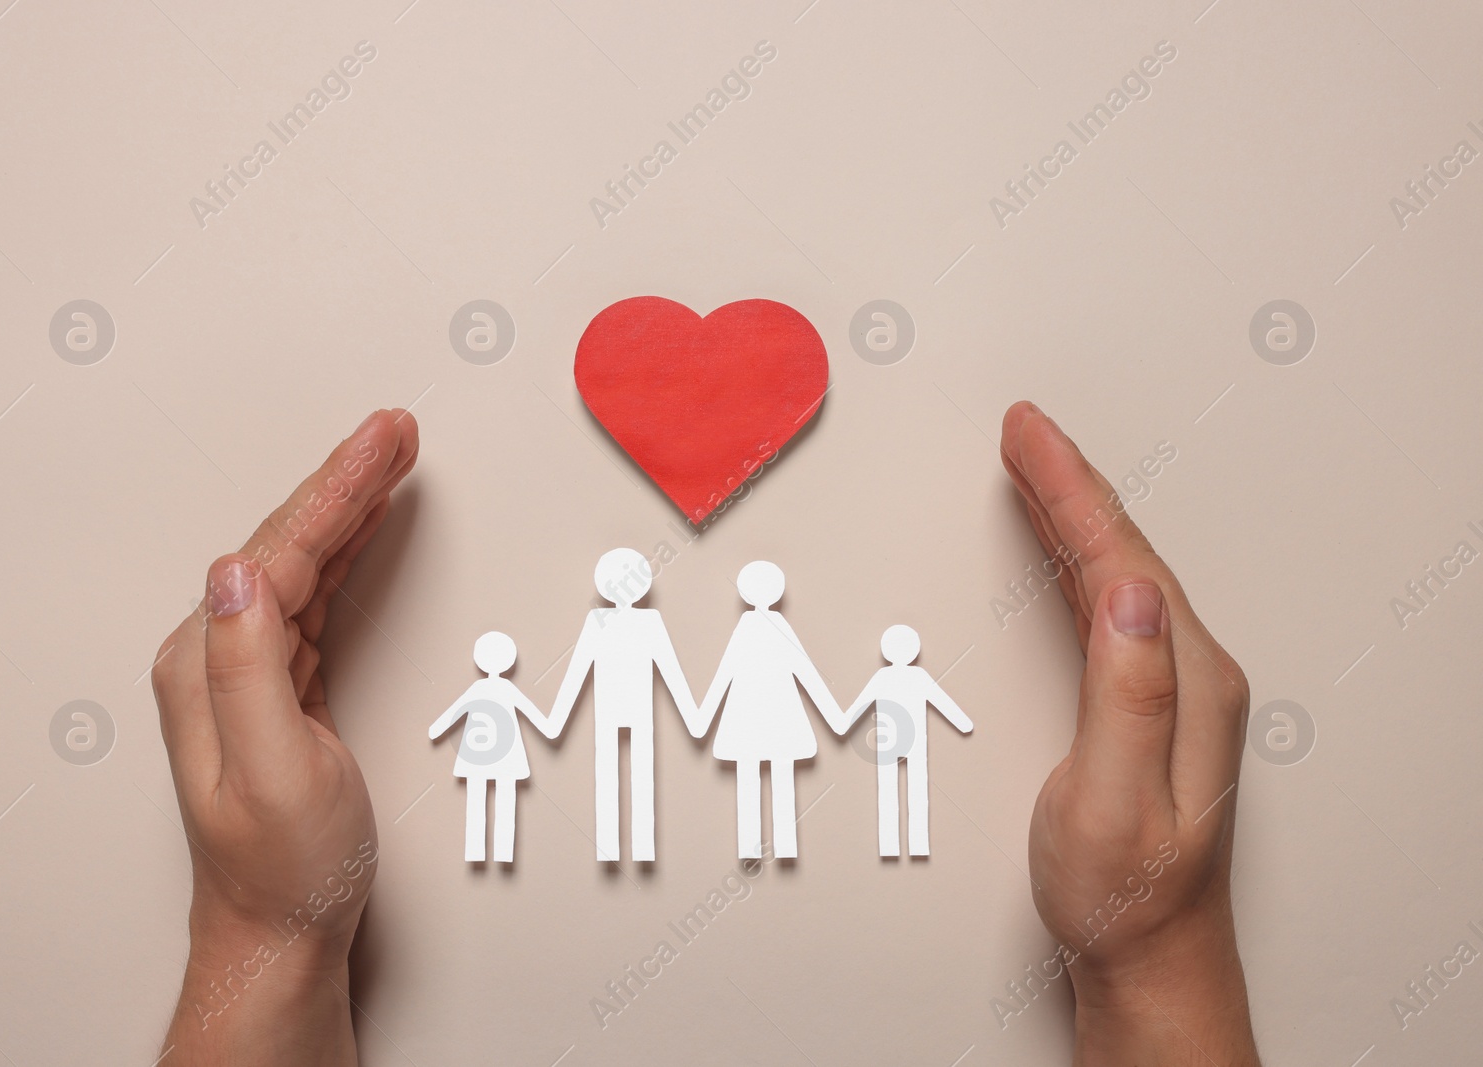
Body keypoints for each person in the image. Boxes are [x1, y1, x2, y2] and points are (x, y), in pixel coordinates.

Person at [150, 402, 1261, 1066]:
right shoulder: (644, 639)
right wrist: (1158, 957)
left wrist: (265, 937)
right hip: (677, 731)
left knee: (736, 793)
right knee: (622, 795)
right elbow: (597, 681)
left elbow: (708, 678)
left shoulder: (748, 643)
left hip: (775, 734)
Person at [543, 547, 696, 862]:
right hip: (628, 709)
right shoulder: (634, 621)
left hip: (623, 709)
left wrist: (556, 719)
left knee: (613, 772)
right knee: (634, 772)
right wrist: (693, 717)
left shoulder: (611, 621)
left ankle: (623, 848)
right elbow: (581, 668)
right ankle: (629, 847)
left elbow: (667, 667)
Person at [689, 560, 848, 860]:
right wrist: (835, 716)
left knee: (751, 777)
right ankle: (780, 845)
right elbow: (806, 673)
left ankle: (758, 846)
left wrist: (702, 716)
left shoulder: (749, 627)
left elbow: (727, 673)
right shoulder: (772, 627)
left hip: (749, 718)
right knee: (779, 775)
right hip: (778, 718)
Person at [840, 624, 974, 857]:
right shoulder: (917, 676)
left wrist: (843, 722)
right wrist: (963, 723)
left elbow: (858, 707)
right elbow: (943, 702)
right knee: (917, 792)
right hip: (912, 743)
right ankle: (917, 844)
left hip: (889, 742)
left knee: (889, 793)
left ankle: (891, 845)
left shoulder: (883, 676)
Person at [428, 631, 553, 863]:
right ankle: (502, 852)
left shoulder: (479, 688)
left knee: (477, 801)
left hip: (478, 754)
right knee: (506, 800)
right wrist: (550, 726)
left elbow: (455, 712)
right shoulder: (506, 689)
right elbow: (533, 714)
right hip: (505, 754)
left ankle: (478, 851)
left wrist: (437, 728)